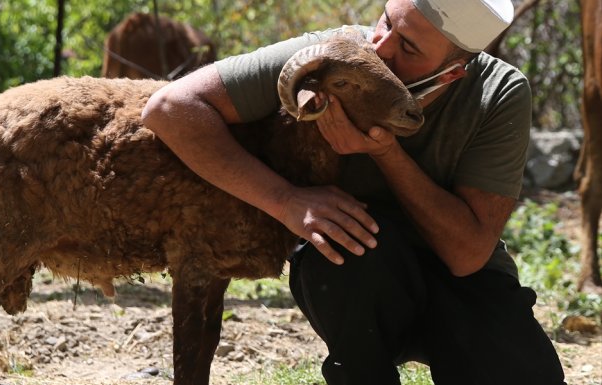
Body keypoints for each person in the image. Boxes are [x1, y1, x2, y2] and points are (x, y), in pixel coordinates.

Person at [141, 0, 567, 384]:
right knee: (346, 248)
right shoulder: (332, 56)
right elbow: (170, 109)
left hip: (456, 278)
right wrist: (285, 200)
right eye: (385, 23)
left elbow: (467, 255)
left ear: (452, 72)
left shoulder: (499, 94)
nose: (380, 48)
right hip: (357, 275)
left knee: (527, 376)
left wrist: (386, 152)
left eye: (409, 48)